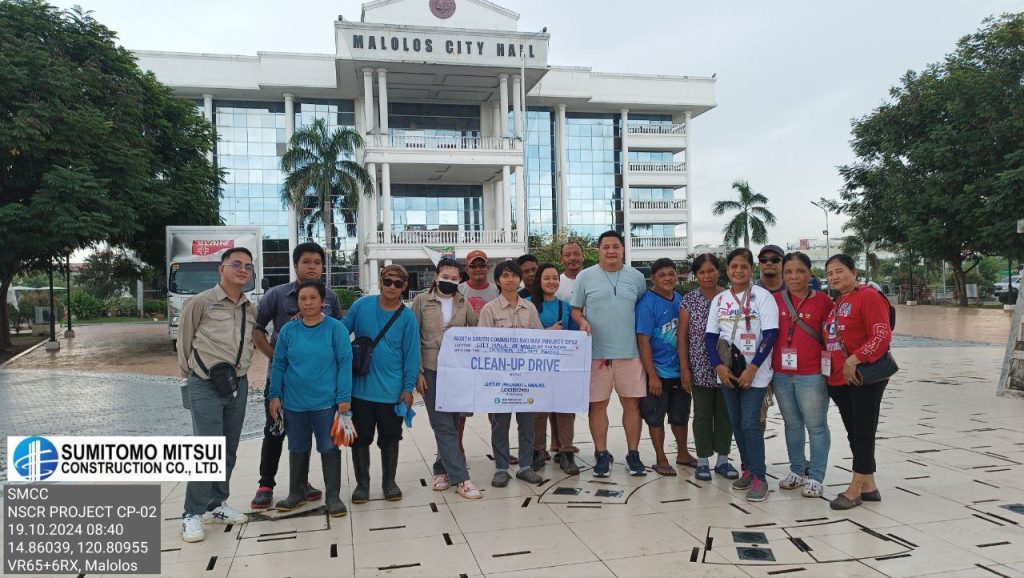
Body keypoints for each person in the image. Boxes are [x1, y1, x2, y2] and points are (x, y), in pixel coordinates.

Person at [250, 242, 342, 510]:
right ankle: (266, 484)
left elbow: (338, 333)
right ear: (296, 265)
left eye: (317, 262)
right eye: (306, 261)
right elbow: (258, 329)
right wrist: (277, 359)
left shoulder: (331, 298)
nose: (312, 266)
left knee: (313, 433)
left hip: (320, 386)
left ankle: (302, 484)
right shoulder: (277, 295)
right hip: (282, 382)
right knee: (275, 431)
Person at [176, 247, 256, 543]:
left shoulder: (250, 306)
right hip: (206, 383)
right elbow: (184, 344)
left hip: (239, 383)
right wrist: (193, 375)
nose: (243, 269)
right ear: (221, 269)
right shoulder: (200, 303)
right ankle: (191, 514)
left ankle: (216, 504)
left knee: (229, 448)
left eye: (248, 266)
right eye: (236, 264)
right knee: (206, 450)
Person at [267, 281, 352, 517]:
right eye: (302, 299)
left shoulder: (336, 329)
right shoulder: (288, 331)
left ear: (322, 301)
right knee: (297, 447)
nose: (307, 303)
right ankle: (296, 493)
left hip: (326, 403)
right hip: (294, 403)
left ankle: (333, 497)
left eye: (312, 298)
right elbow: (279, 364)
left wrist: (344, 397)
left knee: (328, 448)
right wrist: (275, 395)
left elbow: (345, 362)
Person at [704, 248, 779, 502]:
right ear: (728, 270)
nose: (738, 271)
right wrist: (718, 367)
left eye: (743, 267)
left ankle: (760, 477)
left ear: (751, 270)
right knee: (736, 422)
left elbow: (770, 334)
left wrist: (754, 367)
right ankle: (747, 468)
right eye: (734, 266)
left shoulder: (763, 297)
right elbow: (711, 336)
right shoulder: (720, 300)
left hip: (754, 373)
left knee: (750, 423)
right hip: (727, 372)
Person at [571, 230, 649, 477]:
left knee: (632, 405)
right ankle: (601, 453)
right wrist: (582, 322)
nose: (611, 251)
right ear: (599, 250)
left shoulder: (636, 277)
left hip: (630, 353)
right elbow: (576, 310)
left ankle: (633, 454)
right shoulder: (585, 277)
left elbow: (642, 310)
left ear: (623, 249)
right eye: (606, 247)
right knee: (598, 406)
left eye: (616, 246)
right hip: (597, 354)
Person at [343, 265, 420, 503]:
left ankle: (389, 482)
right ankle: (362, 485)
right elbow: (339, 331)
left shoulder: (407, 317)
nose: (392, 287)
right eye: (388, 281)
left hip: (391, 392)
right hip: (360, 391)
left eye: (398, 283)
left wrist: (408, 389)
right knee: (360, 439)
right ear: (380, 281)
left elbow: (411, 356)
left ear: (405, 286)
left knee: (390, 439)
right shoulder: (361, 306)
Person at [824, 254, 893, 510]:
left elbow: (882, 334)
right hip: (840, 378)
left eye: (839, 271)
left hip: (864, 376)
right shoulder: (839, 301)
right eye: (830, 273)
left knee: (863, 430)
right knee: (855, 432)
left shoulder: (869, 296)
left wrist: (855, 359)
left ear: (854, 272)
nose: (834, 277)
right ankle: (869, 484)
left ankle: (855, 489)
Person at [411, 258, 482, 499]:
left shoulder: (463, 303)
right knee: (441, 424)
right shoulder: (421, 302)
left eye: (454, 278)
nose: (450, 281)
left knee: (452, 423)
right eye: (445, 277)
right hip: (431, 369)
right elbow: (413, 340)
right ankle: (462, 479)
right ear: (435, 276)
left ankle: (441, 469)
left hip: (457, 371)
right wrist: (417, 372)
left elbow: (477, 330)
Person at [770, 252, 833, 499]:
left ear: (809, 274)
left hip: (812, 375)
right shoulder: (774, 300)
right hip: (782, 374)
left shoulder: (824, 302)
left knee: (816, 426)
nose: (794, 276)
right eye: (788, 272)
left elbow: (832, 337)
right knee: (792, 425)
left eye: (800, 271)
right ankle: (797, 470)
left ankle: (816, 476)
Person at [478, 260, 545, 487]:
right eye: (505, 276)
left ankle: (525, 466)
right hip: (500, 379)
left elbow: (540, 341)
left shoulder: (530, 308)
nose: (511, 280)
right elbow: (483, 344)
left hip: (526, 378)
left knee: (527, 423)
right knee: (500, 424)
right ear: (497, 281)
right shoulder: (489, 309)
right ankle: (501, 467)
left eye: (514, 276)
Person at [679, 254, 737, 482]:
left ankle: (723, 459)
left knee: (725, 414)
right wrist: (685, 369)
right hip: (699, 367)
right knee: (702, 415)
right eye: (701, 272)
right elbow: (682, 337)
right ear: (696, 275)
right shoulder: (689, 300)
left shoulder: (730, 297)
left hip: (727, 367)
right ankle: (703, 460)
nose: (706, 276)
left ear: (718, 271)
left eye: (710, 270)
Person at [636, 258, 695, 476]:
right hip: (658, 372)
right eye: (662, 275)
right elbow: (643, 341)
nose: (668, 278)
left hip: (679, 371)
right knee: (655, 416)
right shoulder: (647, 303)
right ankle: (661, 458)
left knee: (680, 415)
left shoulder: (679, 299)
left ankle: (683, 453)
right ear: (653, 278)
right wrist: (652, 375)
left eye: (671, 273)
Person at [527, 263, 580, 475]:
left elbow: (576, 335)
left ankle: (566, 451)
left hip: (562, 368)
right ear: (539, 281)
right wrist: (547, 332)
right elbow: (522, 336)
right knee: (538, 410)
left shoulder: (565, 307)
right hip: (536, 368)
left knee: (565, 409)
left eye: (555, 278)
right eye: (546, 278)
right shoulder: (528, 305)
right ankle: (537, 450)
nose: (551, 282)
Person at [459, 250, 498, 314]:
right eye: (473, 266)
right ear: (467, 269)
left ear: (488, 268)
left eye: (482, 265)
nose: (478, 269)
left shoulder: (497, 291)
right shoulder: (458, 290)